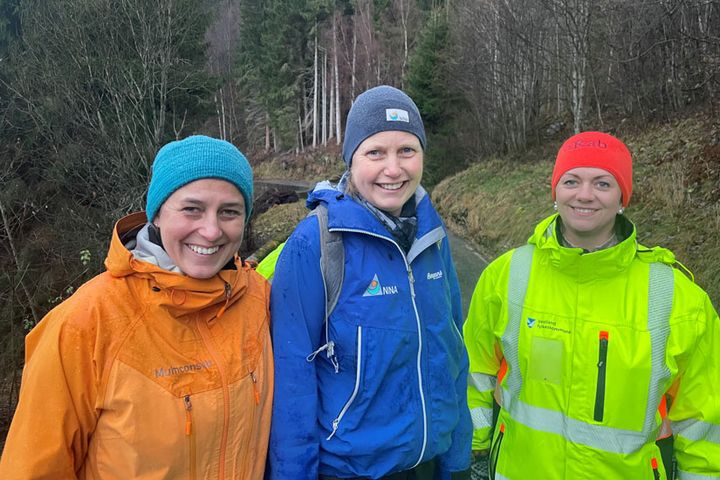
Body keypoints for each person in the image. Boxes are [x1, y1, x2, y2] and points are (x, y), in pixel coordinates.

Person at [0, 136, 273, 479]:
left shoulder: (258, 300)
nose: (211, 230)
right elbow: (31, 469)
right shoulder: (86, 322)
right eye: (192, 208)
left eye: (229, 212)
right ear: (157, 212)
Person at [464, 131, 720, 479]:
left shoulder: (677, 298)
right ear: (555, 191)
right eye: (571, 181)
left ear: (622, 198)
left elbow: (703, 418)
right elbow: (474, 370)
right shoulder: (507, 275)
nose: (584, 195)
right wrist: (473, 448)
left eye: (602, 183)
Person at [267, 85, 472, 479]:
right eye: (375, 152)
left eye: (407, 151)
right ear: (351, 159)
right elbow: (292, 382)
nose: (393, 169)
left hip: (428, 465)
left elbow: (452, 353)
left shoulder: (433, 236)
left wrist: (458, 460)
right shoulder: (318, 243)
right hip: (349, 471)